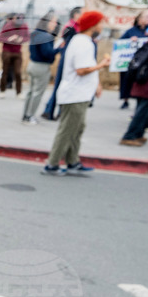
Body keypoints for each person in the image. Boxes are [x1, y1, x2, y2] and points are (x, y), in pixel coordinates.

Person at [42, 11, 111, 175]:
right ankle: (52, 164)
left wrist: (97, 83)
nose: (102, 27)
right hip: (75, 94)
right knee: (67, 130)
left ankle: (72, 161)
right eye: (100, 23)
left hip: (80, 93)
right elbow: (81, 70)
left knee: (77, 128)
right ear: (93, 25)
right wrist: (102, 65)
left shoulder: (83, 41)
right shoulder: (83, 43)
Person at [120, 25, 148, 147]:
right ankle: (129, 136)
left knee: (142, 109)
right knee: (142, 111)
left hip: (141, 80)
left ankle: (138, 134)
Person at [42, 6, 82, 120]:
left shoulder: (77, 27)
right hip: (67, 61)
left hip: (69, 61)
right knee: (60, 86)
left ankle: (56, 111)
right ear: (76, 15)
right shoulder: (70, 27)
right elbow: (65, 44)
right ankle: (50, 110)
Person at [22, 13, 58, 125]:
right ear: (47, 22)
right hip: (41, 66)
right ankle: (30, 116)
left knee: (31, 91)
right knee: (37, 93)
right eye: (54, 21)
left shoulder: (35, 33)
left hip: (32, 64)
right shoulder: (46, 36)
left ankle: (25, 114)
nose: (55, 24)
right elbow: (47, 53)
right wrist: (58, 49)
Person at [120, 10, 148, 109]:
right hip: (130, 61)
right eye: (146, 17)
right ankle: (125, 100)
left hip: (143, 62)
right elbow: (120, 43)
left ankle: (139, 101)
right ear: (140, 19)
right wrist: (129, 41)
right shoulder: (131, 31)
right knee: (126, 80)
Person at [0, 13, 28, 98]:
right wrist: (9, 39)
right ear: (14, 19)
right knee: (5, 71)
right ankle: (2, 90)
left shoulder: (24, 26)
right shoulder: (8, 25)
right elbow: (0, 38)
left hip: (17, 52)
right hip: (7, 51)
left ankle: (19, 92)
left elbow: (27, 37)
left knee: (18, 72)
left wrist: (22, 39)